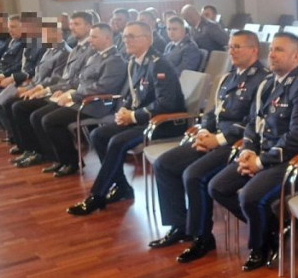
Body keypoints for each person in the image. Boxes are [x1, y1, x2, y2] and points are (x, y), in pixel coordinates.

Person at [209, 34, 298, 271]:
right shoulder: (269, 83)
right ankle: (274, 228)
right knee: (218, 187)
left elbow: (297, 139)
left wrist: (260, 162)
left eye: (279, 50)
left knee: (249, 196)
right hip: (266, 155)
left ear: (296, 56)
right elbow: (254, 123)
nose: (271, 55)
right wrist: (247, 151)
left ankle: (260, 246)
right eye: (272, 49)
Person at [150, 30, 268, 262]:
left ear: (254, 50)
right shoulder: (228, 77)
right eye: (230, 46)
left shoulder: (263, 81)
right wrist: (204, 130)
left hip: (235, 143)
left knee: (194, 176)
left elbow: (255, 123)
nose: (231, 51)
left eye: (237, 47)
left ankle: (202, 237)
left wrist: (219, 139)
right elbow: (212, 112)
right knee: (165, 164)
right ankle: (179, 225)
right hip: (212, 138)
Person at [67, 21, 185, 216]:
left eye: (132, 37)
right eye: (124, 36)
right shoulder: (134, 62)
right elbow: (133, 96)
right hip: (141, 119)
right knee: (98, 135)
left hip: (164, 123)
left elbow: (166, 104)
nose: (126, 40)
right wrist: (124, 112)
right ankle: (122, 187)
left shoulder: (159, 63)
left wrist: (133, 115)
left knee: (117, 142)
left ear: (147, 39)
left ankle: (97, 195)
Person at [28, 22, 126, 177]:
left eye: (94, 37)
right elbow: (79, 81)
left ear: (107, 38)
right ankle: (58, 159)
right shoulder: (95, 56)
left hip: (96, 104)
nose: (90, 40)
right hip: (81, 99)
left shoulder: (115, 60)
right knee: (37, 115)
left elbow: (102, 88)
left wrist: (73, 95)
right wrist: (63, 90)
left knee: (50, 121)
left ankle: (71, 162)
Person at [11, 12, 95, 169]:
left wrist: (52, 90)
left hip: (81, 98)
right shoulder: (75, 49)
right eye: (71, 24)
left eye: (77, 24)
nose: (72, 27)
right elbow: (65, 78)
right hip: (63, 92)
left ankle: (67, 161)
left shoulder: (88, 50)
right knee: (24, 109)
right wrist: (54, 89)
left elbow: (80, 80)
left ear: (89, 26)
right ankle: (47, 155)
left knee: (39, 116)